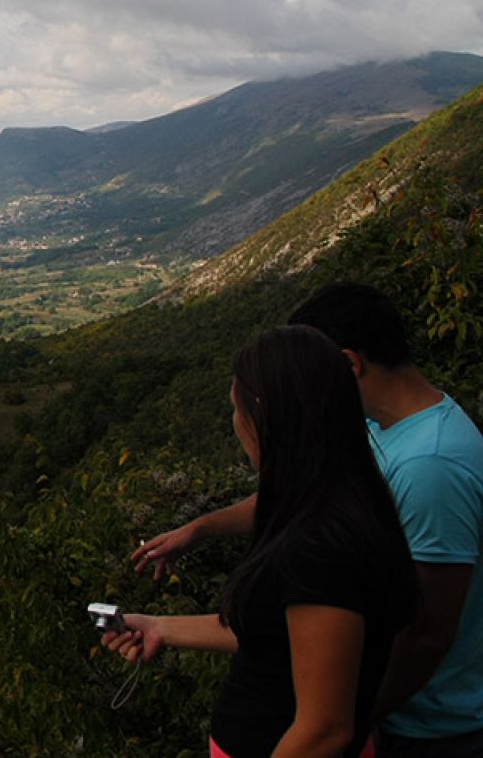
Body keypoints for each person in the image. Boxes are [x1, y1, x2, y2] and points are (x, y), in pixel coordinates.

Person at [134, 283, 483, 755]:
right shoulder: (375, 435)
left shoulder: (431, 466)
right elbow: (310, 494)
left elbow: (426, 632)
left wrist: (362, 716)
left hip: (429, 727)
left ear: (346, 364)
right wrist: (200, 531)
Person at [106, 324, 417, 757]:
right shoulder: (339, 507)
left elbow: (323, 731)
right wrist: (160, 626)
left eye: (236, 408)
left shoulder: (318, 548)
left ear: (264, 418)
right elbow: (280, 635)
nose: (234, 426)